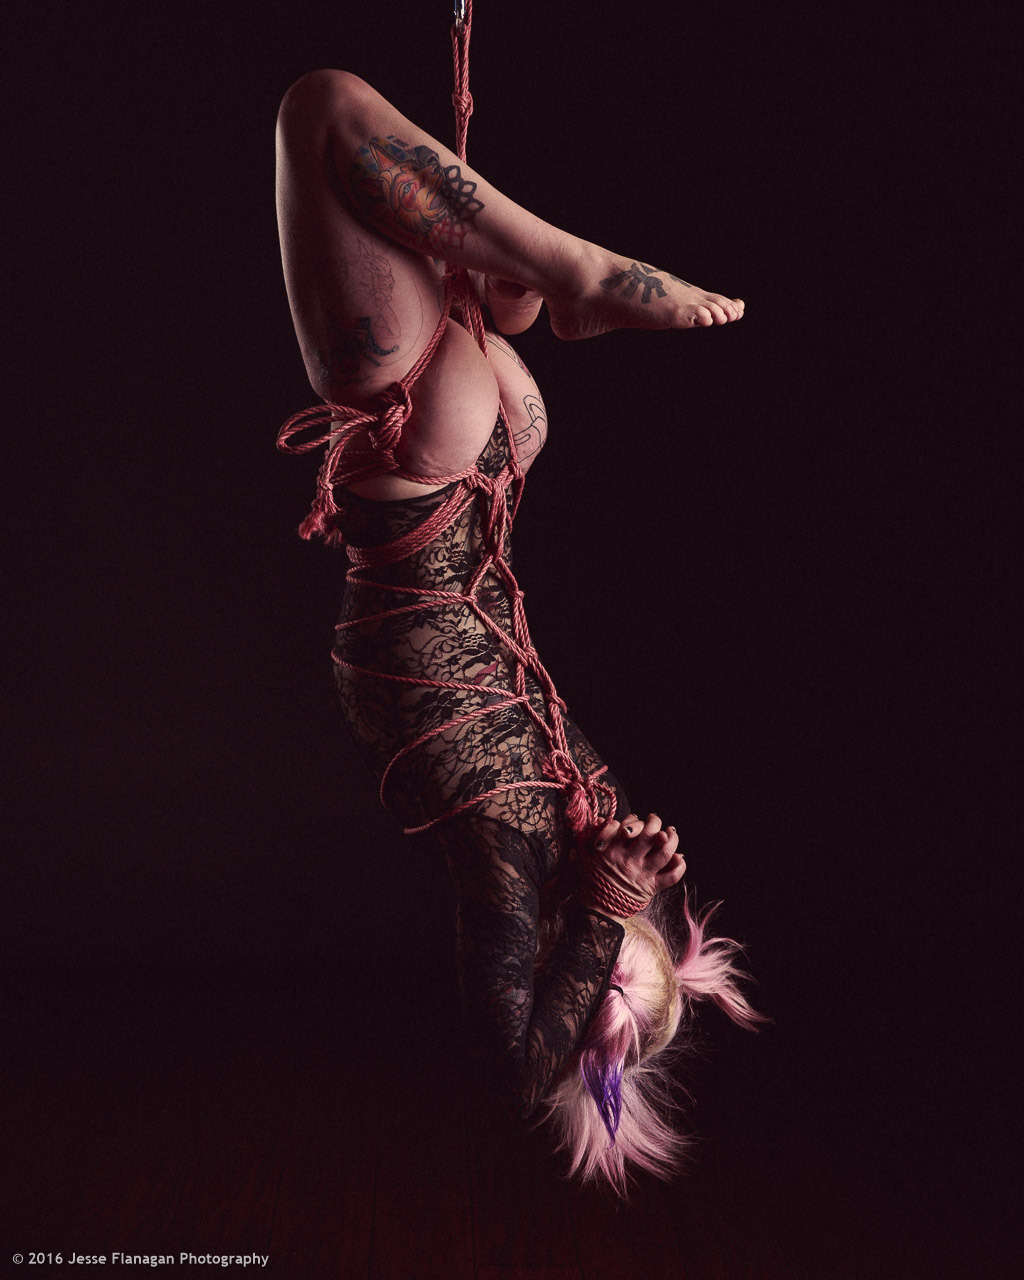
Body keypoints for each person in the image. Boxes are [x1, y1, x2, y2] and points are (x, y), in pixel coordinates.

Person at [276, 67, 761, 1192]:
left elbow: (517, 1065)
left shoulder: (516, 870)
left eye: (600, 961)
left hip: (447, 468)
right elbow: (614, 985)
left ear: (571, 957)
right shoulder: (573, 832)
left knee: (336, 125)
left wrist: (608, 908)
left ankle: (546, 282)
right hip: (453, 471)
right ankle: (555, 280)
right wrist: (626, 897)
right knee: (325, 121)